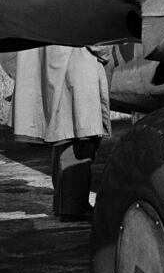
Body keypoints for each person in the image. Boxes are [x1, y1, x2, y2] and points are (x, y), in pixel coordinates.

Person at [9, 45, 110, 221]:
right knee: (80, 138)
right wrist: (105, 51)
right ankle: (73, 208)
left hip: (60, 67)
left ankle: (67, 205)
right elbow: (90, 31)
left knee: (65, 136)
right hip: (76, 66)